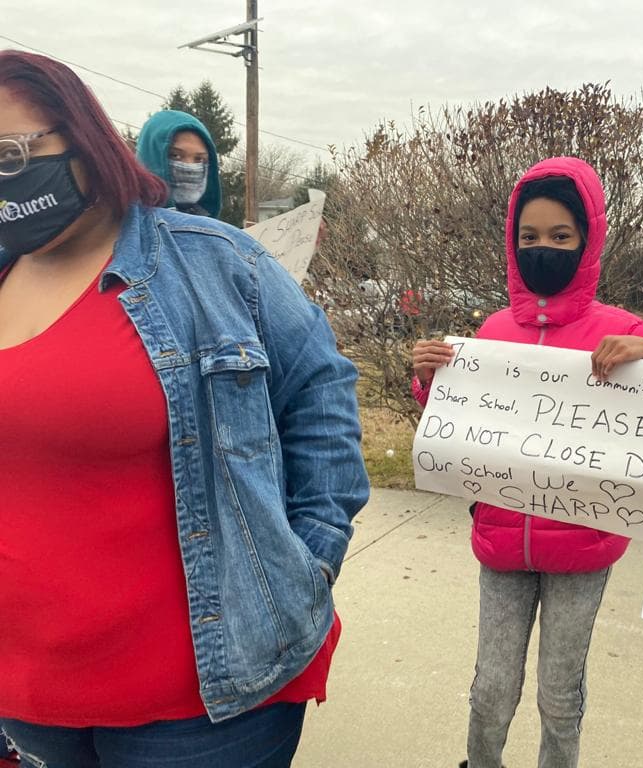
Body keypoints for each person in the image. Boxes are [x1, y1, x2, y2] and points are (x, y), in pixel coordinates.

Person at [0, 51, 369, 766]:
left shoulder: (216, 261)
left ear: (84, 136)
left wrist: (313, 555)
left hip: (202, 706)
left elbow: (321, 393)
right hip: (26, 697)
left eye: (11, 154)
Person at [411, 157, 643, 768]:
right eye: (529, 236)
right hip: (502, 542)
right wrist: (430, 380)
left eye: (561, 236)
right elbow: (457, 421)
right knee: (491, 690)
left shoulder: (621, 329)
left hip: (583, 550)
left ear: (588, 240)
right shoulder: (492, 330)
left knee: (561, 697)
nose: (544, 248)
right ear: (512, 243)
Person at [136, 109, 221, 217]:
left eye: (199, 159)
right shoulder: (122, 223)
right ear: (150, 155)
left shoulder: (209, 225)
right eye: (176, 156)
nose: (190, 167)